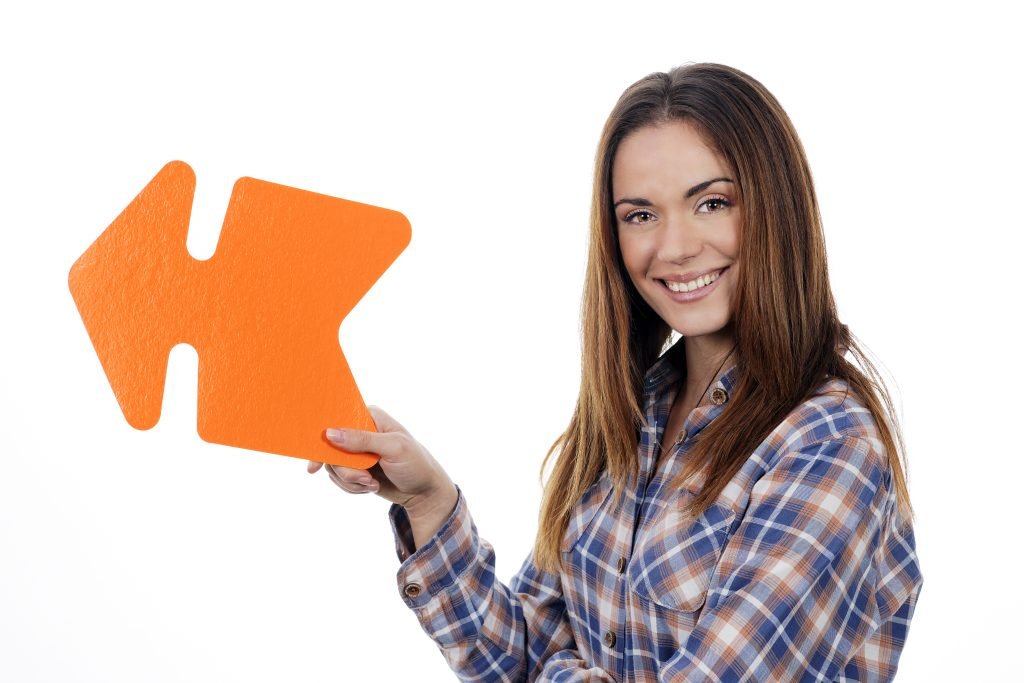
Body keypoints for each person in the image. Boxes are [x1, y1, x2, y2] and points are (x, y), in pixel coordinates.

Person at [307, 62, 923, 682]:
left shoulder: (827, 446)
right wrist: (428, 500)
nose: (675, 247)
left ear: (777, 209)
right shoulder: (634, 413)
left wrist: (559, 671)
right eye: (640, 215)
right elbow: (514, 657)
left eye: (711, 203)